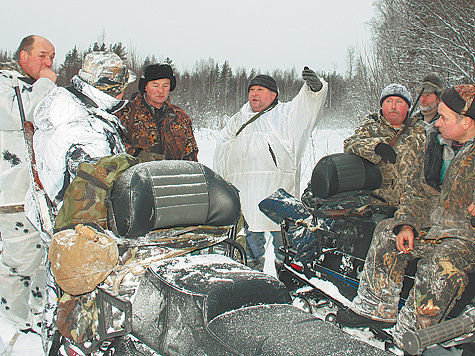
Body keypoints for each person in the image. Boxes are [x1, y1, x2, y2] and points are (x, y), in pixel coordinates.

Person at [336, 84, 475, 349]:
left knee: (438, 264)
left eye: (444, 117)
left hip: (466, 238)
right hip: (436, 228)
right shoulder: (437, 145)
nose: (437, 123)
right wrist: (408, 224)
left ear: (466, 121)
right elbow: (419, 193)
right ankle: (376, 308)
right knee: (389, 232)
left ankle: (412, 338)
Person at [26, 51, 135, 353]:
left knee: (57, 289)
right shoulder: (81, 125)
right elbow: (96, 180)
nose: (124, 91)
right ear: (109, 86)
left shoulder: (69, 105)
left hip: (59, 219)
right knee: (78, 302)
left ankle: (52, 340)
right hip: (79, 226)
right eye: (121, 85)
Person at [213, 68, 327, 272]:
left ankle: (288, 286)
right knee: (248, 253)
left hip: (277, 199)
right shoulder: (237, 119)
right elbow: (221, 148)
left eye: (261, 89)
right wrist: (221, 185)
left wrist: (314, 90)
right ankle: (252, 287)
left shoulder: (285, 115)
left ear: (273, 95)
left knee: (285, 252)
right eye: (252, 89)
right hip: (245, 199)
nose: (254, 94)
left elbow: (307, 110)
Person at [0, 35, 57, 332]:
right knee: (17, 261)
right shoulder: (5, 84)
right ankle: (10, 322)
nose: (48, 64)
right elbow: (19, 114)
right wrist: (46, 84)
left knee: (39, 260)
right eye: (42, 56)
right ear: (23, 56)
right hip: (11, 192)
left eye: (52, 57)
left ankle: (36, 316)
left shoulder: (37, 88)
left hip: (39, 194)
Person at [343, 84, 426, 206]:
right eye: (388, 101)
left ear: (408, 106)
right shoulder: (370, 128)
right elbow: (350, 144)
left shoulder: (422, 130)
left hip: (414, 205)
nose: (393, 106)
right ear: (382, 105)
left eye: (399, 102)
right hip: (380, 204)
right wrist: (375, 147)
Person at [116, 63, 198, 162]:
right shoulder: (125, 113)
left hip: (173, 176)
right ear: (145, 87)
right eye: (155, 85)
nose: (161, 90)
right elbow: (112, 147)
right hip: (137, 176)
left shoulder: (181, 117)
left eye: (165, 85)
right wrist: (137, 154)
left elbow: (191, 154)